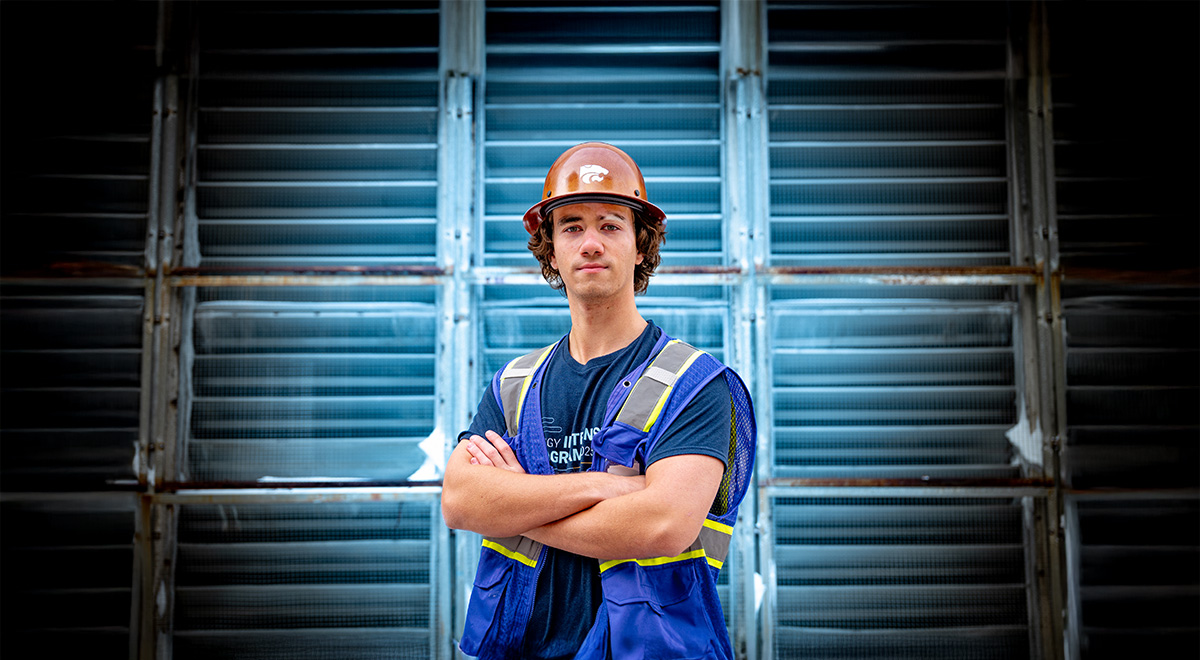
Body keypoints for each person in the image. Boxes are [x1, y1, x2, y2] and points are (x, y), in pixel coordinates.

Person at [442, 142, 756, 660]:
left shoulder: (694, 384)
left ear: (639, 247)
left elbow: (663, 523)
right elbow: (459, 501)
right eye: (572, 227)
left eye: (610, 225)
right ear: (551, 250)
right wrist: (599, 486)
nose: (590, 243)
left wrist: (514, 503)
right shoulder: (513, 386)